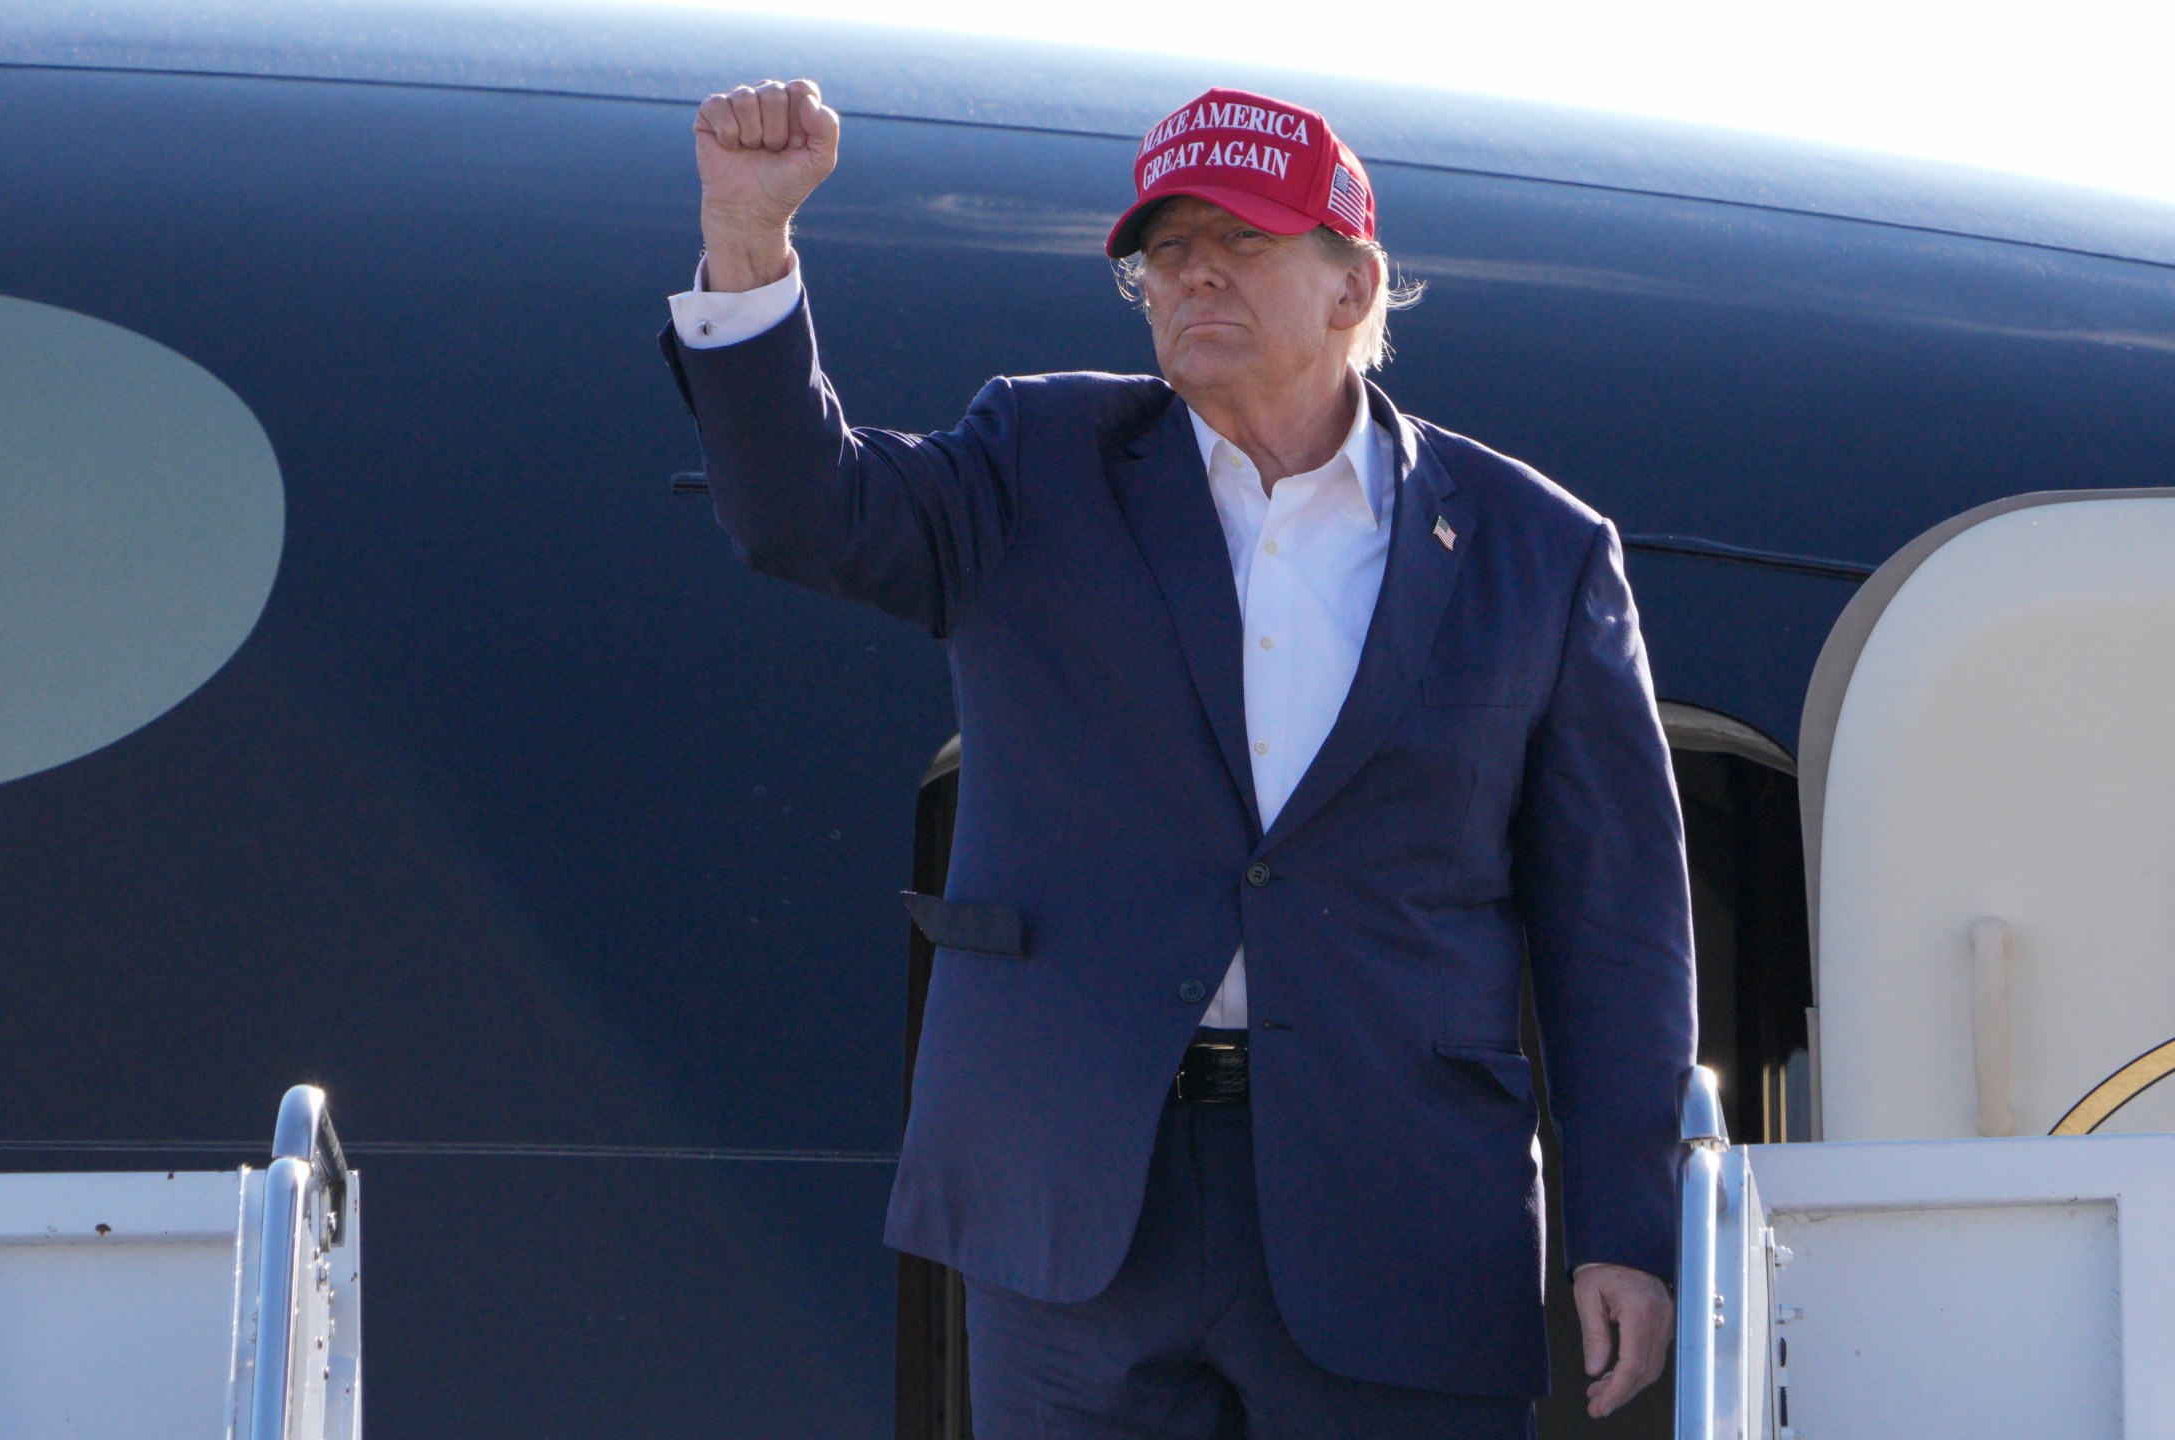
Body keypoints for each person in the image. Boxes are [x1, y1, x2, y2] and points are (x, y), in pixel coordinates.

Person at [658, 76, 1697, 1439]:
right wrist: (748, 245)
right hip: (1080, 1198)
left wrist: (1630, 1223)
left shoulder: (1539, 553)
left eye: (1242, 235)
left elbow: (1612, 925)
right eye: (1163, 247)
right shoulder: (1036, 458)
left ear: (1353, 283)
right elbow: (806, 513)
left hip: (1395, 1211)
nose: (1192, 267)